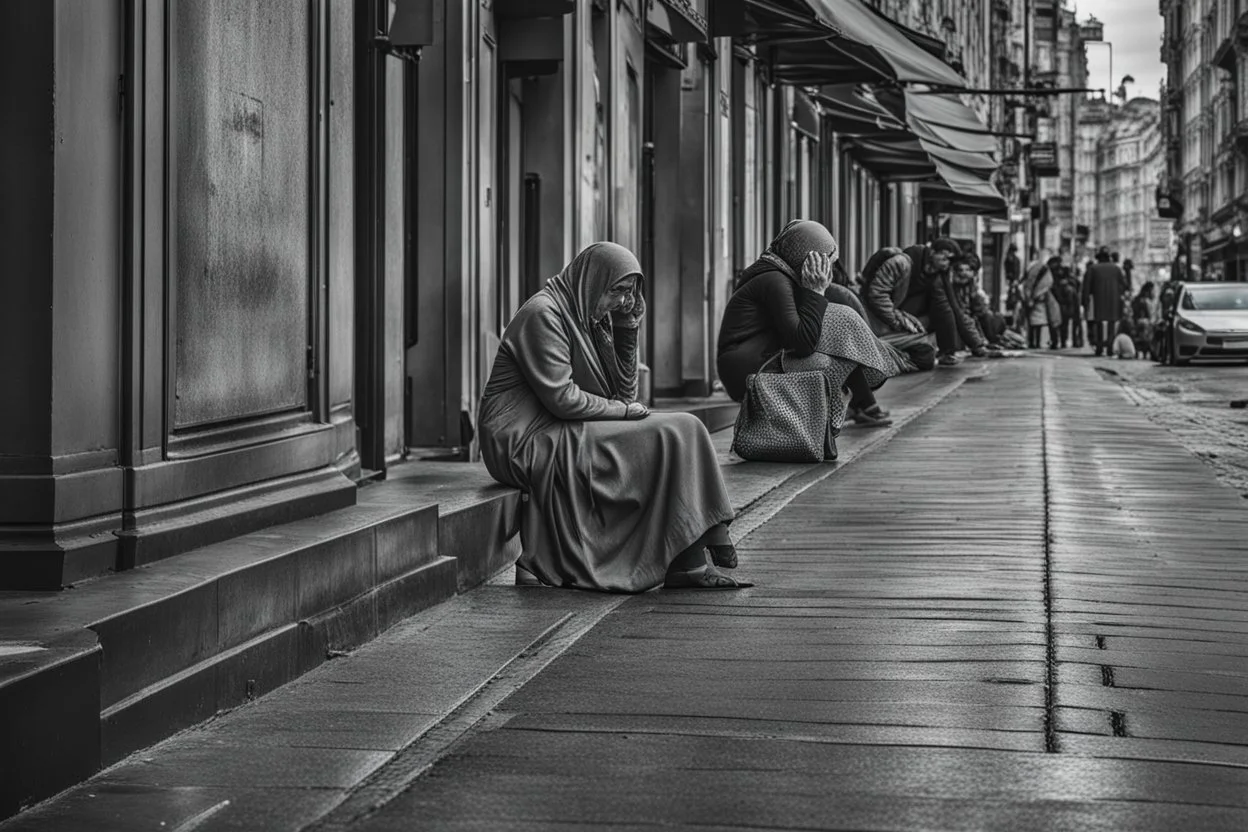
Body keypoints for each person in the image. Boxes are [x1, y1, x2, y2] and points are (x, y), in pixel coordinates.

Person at [478, 242, 748, 591]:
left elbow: (622, 395)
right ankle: (702, 545)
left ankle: (691, 560)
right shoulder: (544, 314)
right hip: (521, 438)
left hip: (564, 425)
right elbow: (563, 398)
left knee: (687, 426)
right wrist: (623, 411)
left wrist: (627, 329)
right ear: (592, 281)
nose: (622, 301)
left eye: (629, 293)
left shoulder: (591, 319)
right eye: (617, 291)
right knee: (668, 432)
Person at [718, 220, 899, 433]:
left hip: (758, 359)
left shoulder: (779, 274)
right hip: (746, 370)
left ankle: (861, 406)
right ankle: (840, 417)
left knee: (835, 333)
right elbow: (803, 343)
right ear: (807, 259)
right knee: (828, 356)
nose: (827, 271)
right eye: (824, 263)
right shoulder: (774, 280)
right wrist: (815, 292)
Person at [898, 238, 989, 365]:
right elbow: (882, 290)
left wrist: (976, 344)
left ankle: (946, 351)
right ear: (933, 252)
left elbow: (953, 308)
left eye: (950, 261)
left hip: (908, 313)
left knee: (942, 305)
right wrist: (892, 316)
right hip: (890, 309)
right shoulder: (911, 257)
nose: (946, 264)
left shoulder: (939, 277)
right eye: (945, 258)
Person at [950, 251, 1007, 349]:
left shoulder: (972, 287)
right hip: (955, 321)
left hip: (967, 322)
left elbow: (980, 310)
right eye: (961, 270)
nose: (964, 273)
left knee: (991, 316)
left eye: (968, 270)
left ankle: (990, 340)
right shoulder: (952, 286)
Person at [1083, 246, 1127, 356]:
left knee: (1098, 324)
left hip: (1097, 301)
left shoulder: (1092, 269)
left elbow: (1086, 287)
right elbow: (1124, 285)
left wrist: (1085, 302)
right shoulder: (1116, 269)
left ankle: (1099, 348)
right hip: (1113, 301)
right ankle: (1110, 348)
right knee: (1111, 324)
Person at [1019, 256, 1062, 349]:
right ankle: (1041, 342)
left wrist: (1030, 297)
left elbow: (1026, 283)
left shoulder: (1038, 271)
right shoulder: (1047, 272)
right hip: (1044, 300)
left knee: (1034, 323)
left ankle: (1033, 342)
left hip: (1038, 300)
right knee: (1046, 322)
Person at [1131, 281, 1158, 358]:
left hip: (1138, 322)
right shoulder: (1144, 301)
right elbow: (1147, 315)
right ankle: (1152, 351)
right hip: (1142, 323)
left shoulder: (1138, 299)